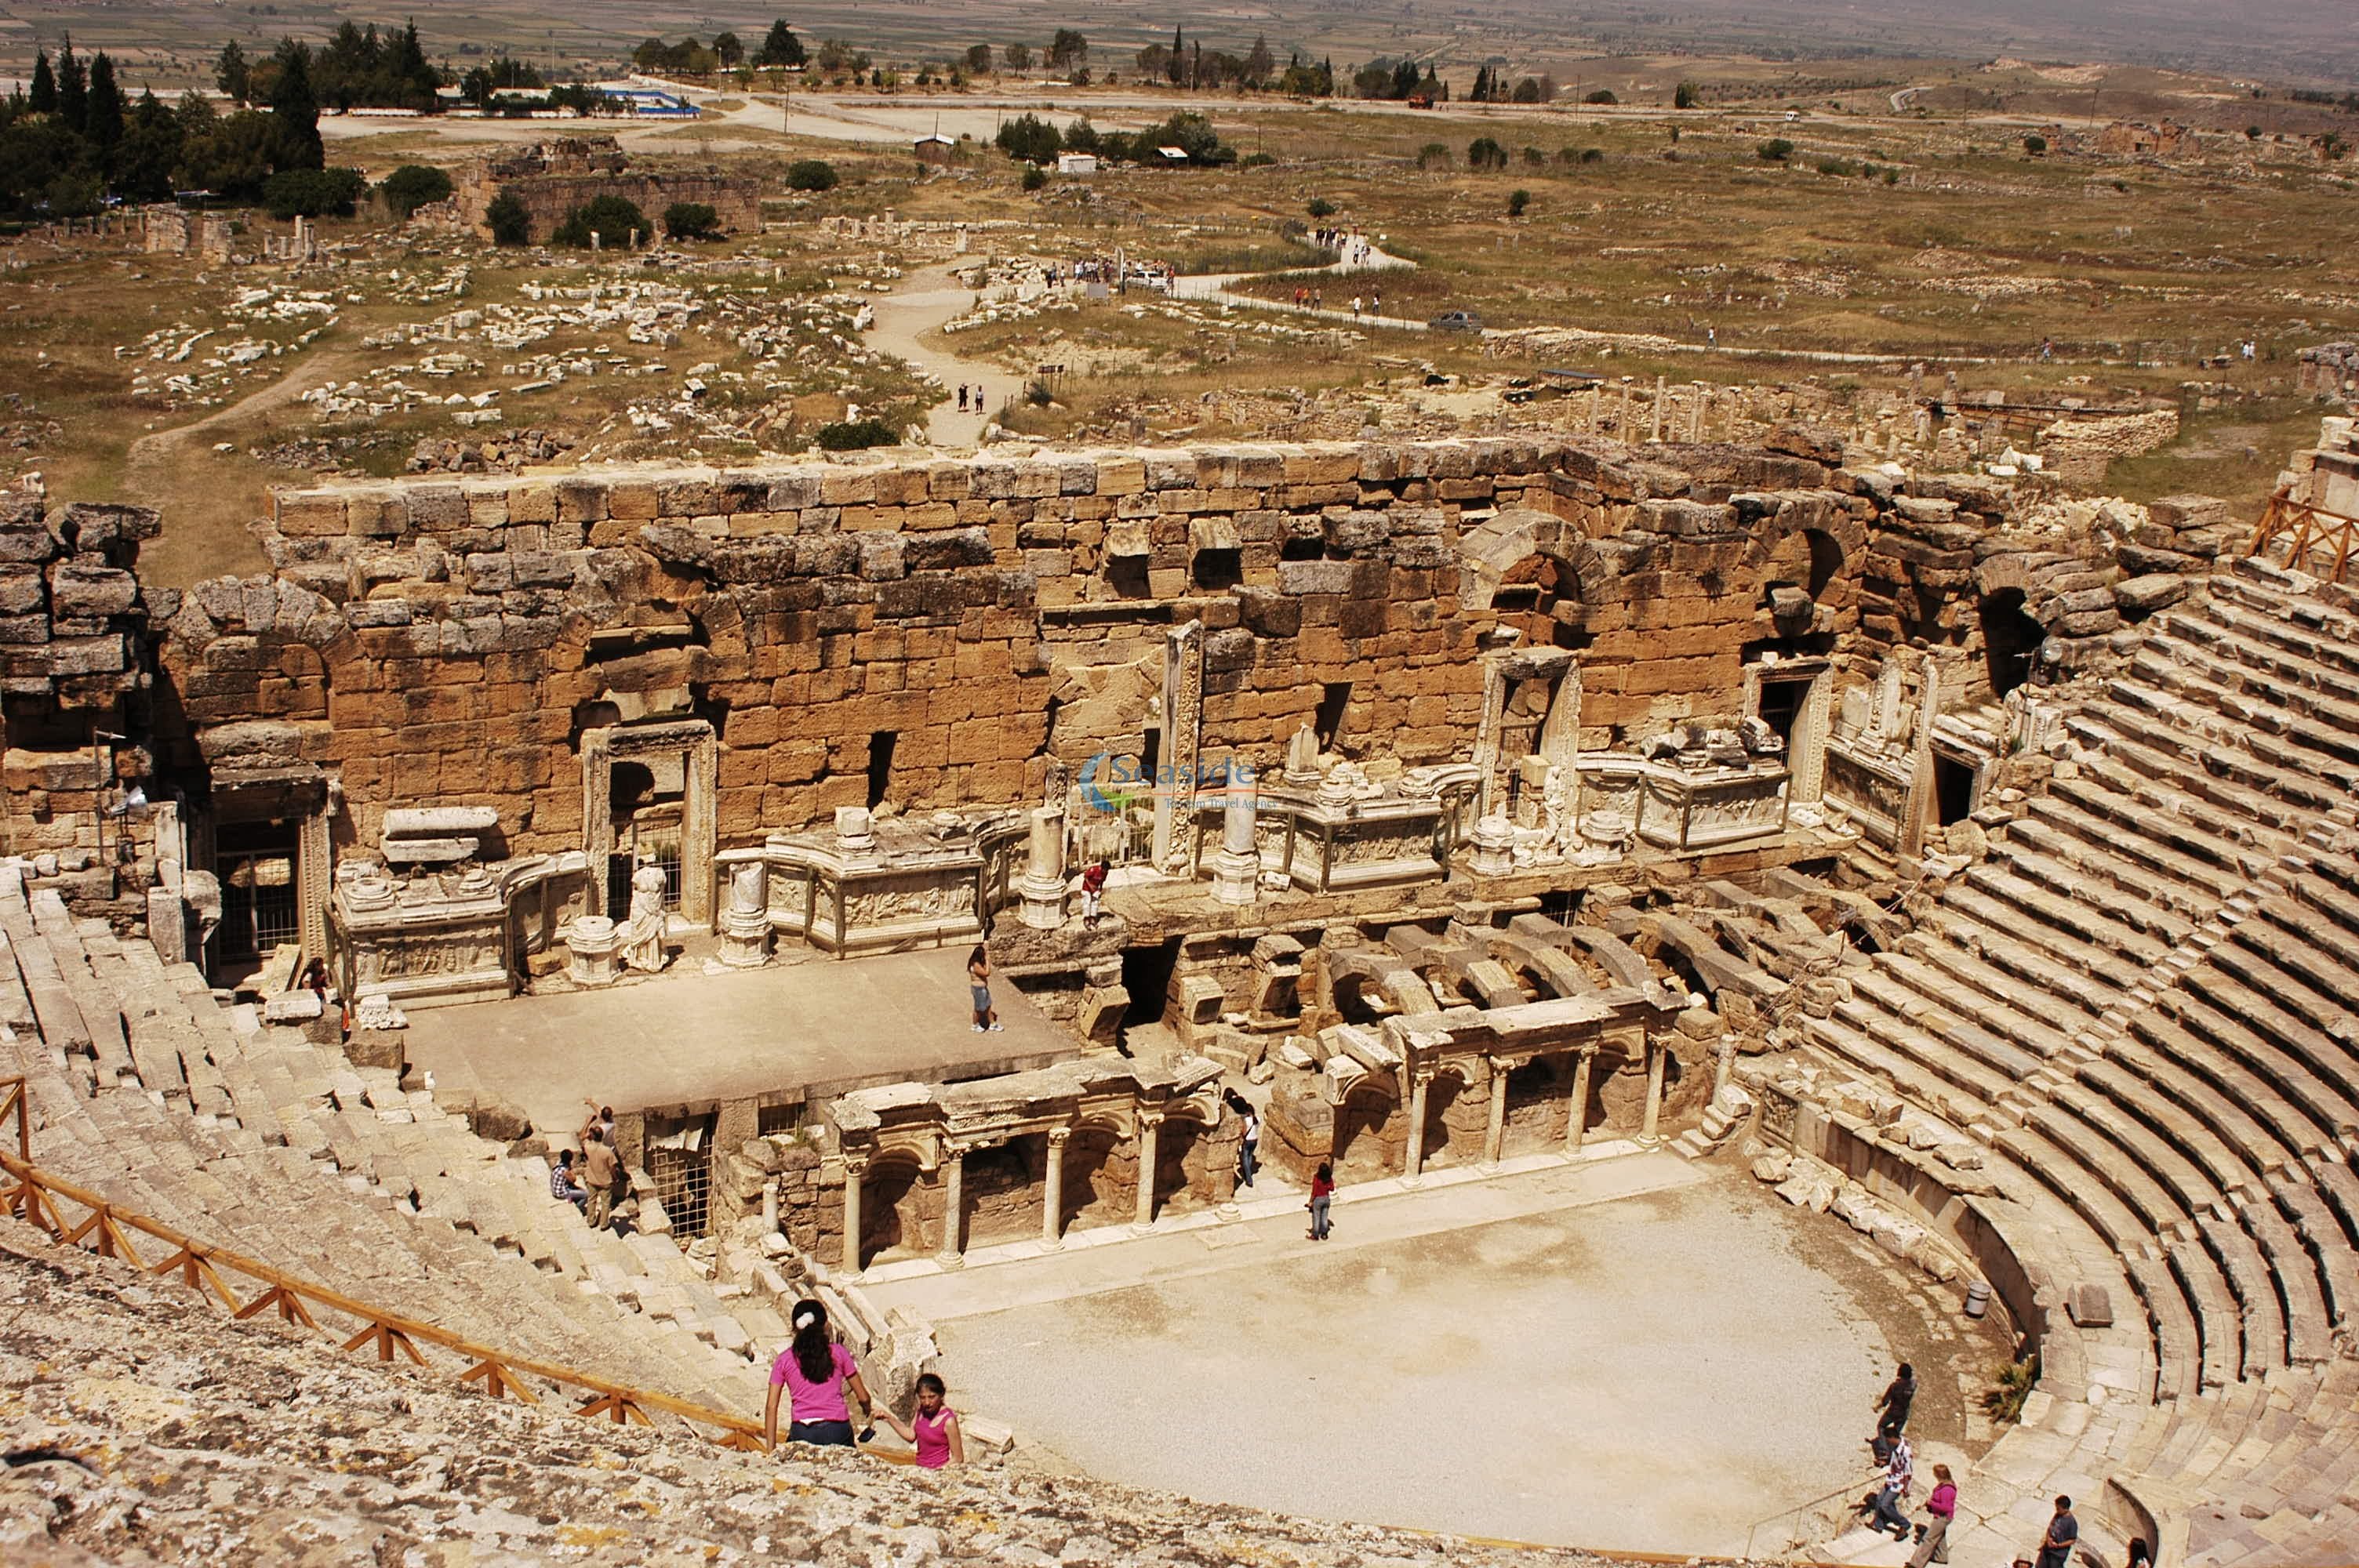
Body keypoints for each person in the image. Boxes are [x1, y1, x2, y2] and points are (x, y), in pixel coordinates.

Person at [765, 1299, 875, 1450]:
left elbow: (771, 1407)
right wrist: (867, 1410)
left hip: (802, 1431)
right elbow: (863, 1396)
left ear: (795, 1328)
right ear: (824, 1325)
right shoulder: (839, 1353)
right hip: (837, 1429)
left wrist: (771, 1451)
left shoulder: (783, 1360)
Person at [873, 1371, 963, 1468]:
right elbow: (911, 1435)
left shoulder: (948, 1421)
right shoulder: (921, 1411)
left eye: (932, 1397)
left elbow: (957, 1458)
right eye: (922, 1398)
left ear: (941, 1395)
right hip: (920, 1466)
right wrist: (889, 1418)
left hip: (939, 1469)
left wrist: (937, 1472)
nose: (927, 1402)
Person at [1867, 1432, 1914, 1541]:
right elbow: (1893, 1460)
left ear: (1893, 1438)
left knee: (1885, 1505)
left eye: (1888, 1439)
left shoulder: (1906, 1451)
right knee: (1879, 1499)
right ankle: (1879, 1525)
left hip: (1899, 1482)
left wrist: (1906, 1488)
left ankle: (1904, 1524)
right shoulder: (1895, 1446)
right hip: (1891, 1478)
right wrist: (1884, 1462)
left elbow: (1908, 1471)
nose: (1887, 1442)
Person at [1910, 1462, 1955, 1566]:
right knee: (1940, 1536)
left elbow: (1945, 1507)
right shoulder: (1945, 1484)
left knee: (1928, 1539)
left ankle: (1916, 1564)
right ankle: (1941, 1557)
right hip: (1942, 1516)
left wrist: (1931, 1503)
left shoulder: (1947, 1490)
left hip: (1943, 1517)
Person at [1874, 1363, 1916, 1462]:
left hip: (1893, 1412)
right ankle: (1895, 1454)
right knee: (1895, 1433)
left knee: (1881, 1427)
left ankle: (1884, 1452)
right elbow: (1912, 1382)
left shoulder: (1894, 1386)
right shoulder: (1913, 1385)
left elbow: (1885, 1402)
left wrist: (1876, 1407)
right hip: (1904, 1413)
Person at [2034, 1496, 2077, 1568]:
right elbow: (2050, 1527)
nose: (2056, 1510)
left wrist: (2059, 1545)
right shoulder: (2058, 1515)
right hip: (2047, 1548)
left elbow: (2072, 1540)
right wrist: (2048, 1538)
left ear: (2065, 1509)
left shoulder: (2071, 1522)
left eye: (2058, 1508)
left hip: (2058, 1554)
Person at [967, 945, 1002, 1033]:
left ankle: (993, 1024)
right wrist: (988, 961)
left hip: (982, 989)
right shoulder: (976, 965)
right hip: (979, 990)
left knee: (988, 1007)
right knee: (979, 1008)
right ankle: (975, 1025)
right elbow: (986, 973)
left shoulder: (975, 962)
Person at [550, 1149, 588, 1213]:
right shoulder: (565, 1170)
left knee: (579, 1189)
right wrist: (571, 1168)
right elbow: (573, 1179)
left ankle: (573, 1199)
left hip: (556, 1190)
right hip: (561, 1193)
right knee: (586, 1194)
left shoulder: (558, 1165)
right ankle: (577, 1209)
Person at [1307, 1160, 1335, 1240]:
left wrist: (1310, 1202)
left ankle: (1315, 1235)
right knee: (1324, 1217)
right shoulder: (1329, 1178)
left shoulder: (1317, 1178)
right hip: (1326, 1199)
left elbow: (1314, 1192)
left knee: (1316, 1218)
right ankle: (1324, 1234)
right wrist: (1327, 1187)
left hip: (1318, 1200)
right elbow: (1332, 1189)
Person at [1238, 1103, 1260, 1189]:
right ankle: (1249, 1173)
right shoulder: (1258, 1119)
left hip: (1247, 1141)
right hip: (1255, 1140)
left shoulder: (1246, 1120)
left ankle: (1249, 1179)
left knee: (1245, 1159)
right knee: (1250, 1157)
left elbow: (1244, 1132)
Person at [1080, 858, 1107, 927]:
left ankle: (1093, 918)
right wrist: (1090, 886)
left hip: (1095, 888)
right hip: (1087, 888)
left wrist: (1100, 889)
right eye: (1105, 870)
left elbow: (1102, 881)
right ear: (1102, 868)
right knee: (1087, 902)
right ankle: (1086, 919)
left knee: (1095, 902)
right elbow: (1085, 877)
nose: (1105, 871)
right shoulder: (1094, 869)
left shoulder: (1105, 873)